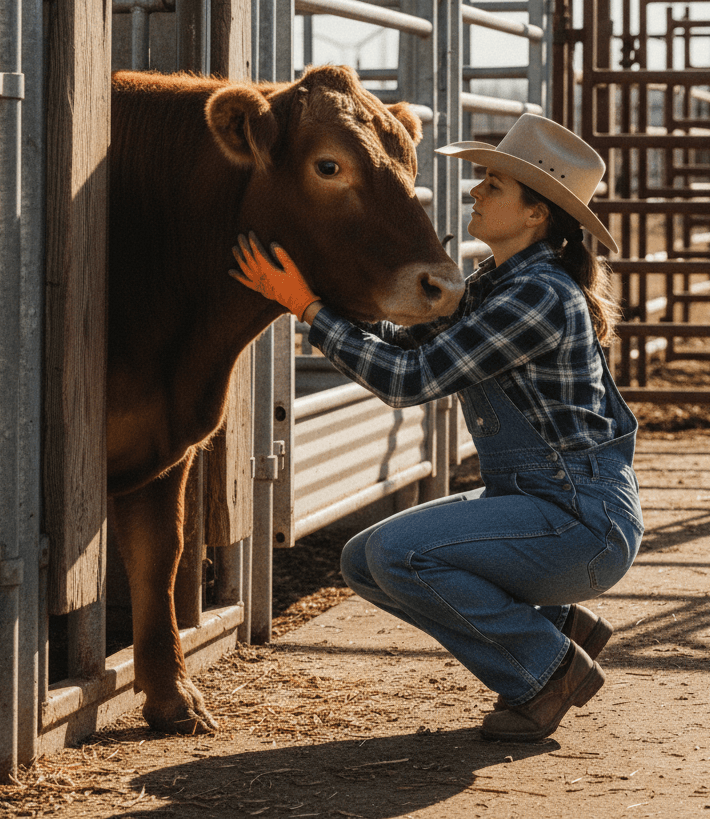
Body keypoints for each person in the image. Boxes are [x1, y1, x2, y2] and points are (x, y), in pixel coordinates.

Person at [230, 113, 643, 743]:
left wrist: (306, 309)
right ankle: (559, 629)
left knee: (401, 555)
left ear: (535, 216)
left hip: (579, 521)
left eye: (494, 185)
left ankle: (547, 671)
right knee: (363, 562)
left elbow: (408, 379)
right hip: (538, 502)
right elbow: (404, 343)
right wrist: (319, 291)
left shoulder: (539, 296)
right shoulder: (495, 287)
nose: (476, 191)